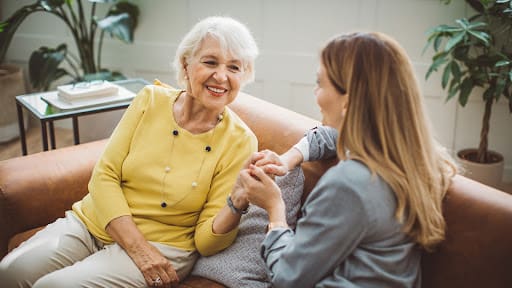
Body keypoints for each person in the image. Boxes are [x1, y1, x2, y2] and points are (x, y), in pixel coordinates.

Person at [0, 16, 259, 288]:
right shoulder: (150, 99)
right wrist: (135, 246)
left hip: (162, 245)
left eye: (234, 67)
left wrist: (236, 204)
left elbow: (206, 243)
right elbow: (104, 175)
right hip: (95, 221)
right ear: (186, 63)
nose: (221, 76)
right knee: (9, 271)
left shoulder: (240, 142)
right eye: (210, 62)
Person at [239, 32, 457, 287]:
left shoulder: (349, 184)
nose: (315, 93)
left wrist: (275, 210)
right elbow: (333, 137)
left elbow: (288, 277)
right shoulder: (410, 156)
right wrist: (289, 159)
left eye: (320, 84)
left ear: (348, 101)